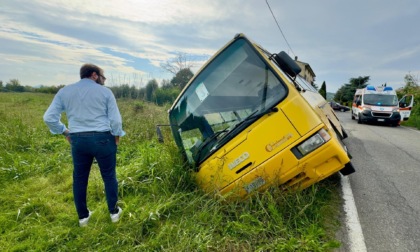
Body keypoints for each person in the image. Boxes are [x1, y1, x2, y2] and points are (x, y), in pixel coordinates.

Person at [43, 63, 125, 227]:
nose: (103, 79)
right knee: (109, 176)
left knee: (79, 179)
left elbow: (49, 117)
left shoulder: (65, 91)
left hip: (78, 140)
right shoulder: (105, 92)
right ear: (94, 75)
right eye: (102, 76)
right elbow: (115, 120)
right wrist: (117, 135)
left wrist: (65, 132)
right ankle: (114, 213)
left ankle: (83, 218)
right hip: (103, 138)